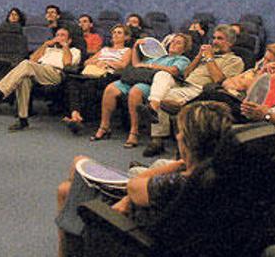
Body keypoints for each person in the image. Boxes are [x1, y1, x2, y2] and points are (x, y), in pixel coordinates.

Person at [55, 101, 233, 257]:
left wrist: (177, 164)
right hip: (182, 234)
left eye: (180, 133)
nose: (177, 136)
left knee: (67, 188)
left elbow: (134, 186)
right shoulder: (225, 174)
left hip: (137, 235)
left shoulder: (175, 183)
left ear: (188, 143)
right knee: (69, 183)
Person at [144, 25, 244, 156]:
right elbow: (186, 74)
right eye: (213, 38)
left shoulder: (234, 60)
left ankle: (157, 139)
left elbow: (220, 81)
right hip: (185, 84)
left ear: (230, 42)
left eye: (220, 38)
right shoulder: (206, 56)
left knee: (167, 96)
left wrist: (209, 58)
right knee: (162, 75)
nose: (214, 41)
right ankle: (155, 104)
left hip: (202, 91)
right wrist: (198, 57)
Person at [91, 33, 191, 148]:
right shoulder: (158, 57)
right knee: (110, 89)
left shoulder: (182, 59)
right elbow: (136, 64)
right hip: (138, 77)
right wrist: (135, 47)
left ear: (184, 48)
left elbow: (174, 71)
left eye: (178, 43)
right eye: (173, 41)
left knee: (135, 92)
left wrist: (152, 66)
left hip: (152, 83)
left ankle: (134, 132)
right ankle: (104, 127)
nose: (173, 44)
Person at [0, 27, 81, 131]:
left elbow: (67, 64)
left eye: (62, 35)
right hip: (38, 71)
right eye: (57, 35)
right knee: (24, 79)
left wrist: (65, 46)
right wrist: (45, 45)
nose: (58, 37)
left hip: (56, 73)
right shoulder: (48, 49)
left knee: (26, 64)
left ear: (69, 40)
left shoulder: (74, 51)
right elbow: (32, 60)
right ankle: (23, 119)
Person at [61, 24, 132, 133]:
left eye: (119, 33)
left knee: (89, 85)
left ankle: (78, 117)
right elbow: (86, 62)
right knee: (72, 82)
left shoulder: (127, 50)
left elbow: (123, 65)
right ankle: (76, 115)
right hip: (93, 72)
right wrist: (97, 61)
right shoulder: (105, 49)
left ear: (126, 37)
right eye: (114, 32)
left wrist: (107, 62)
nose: (115, 35)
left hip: (109, 75)